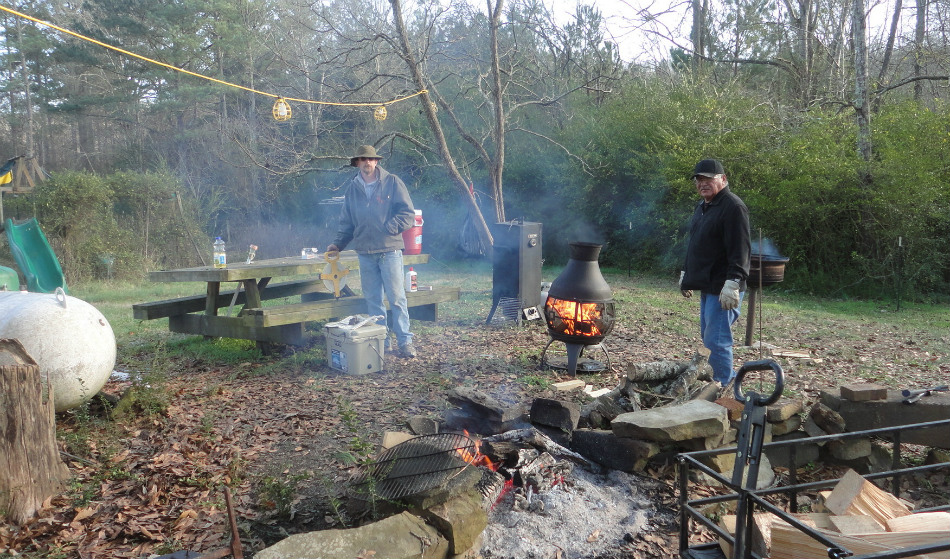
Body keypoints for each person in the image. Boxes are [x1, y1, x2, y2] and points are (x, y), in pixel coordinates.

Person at [327, 145, 417, 358]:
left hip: (390, 250)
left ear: (376, 161)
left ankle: (406, 342)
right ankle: (381, 342)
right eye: (363, 159)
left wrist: (389, 228)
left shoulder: (392, 182)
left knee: (396, 299)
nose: (367, 162)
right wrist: (338, 245)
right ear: (357, 163)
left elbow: (408, 214)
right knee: (374, 301)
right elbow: (347, 222)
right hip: (365, 252)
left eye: (371, 159)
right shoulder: (352, 188)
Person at [679, 158, 750, 389]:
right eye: (699, 179)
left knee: (716, 340)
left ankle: (722, 387)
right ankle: (716, 382)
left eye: (708, 179)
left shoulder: (733, 207)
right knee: (708, 337)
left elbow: (740, 249)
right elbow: (697, 245)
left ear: (723, 179)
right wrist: (686, 273)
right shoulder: (703, 207)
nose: (703, 184)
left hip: (724, 286)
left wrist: (734, 282)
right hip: (707, 284)